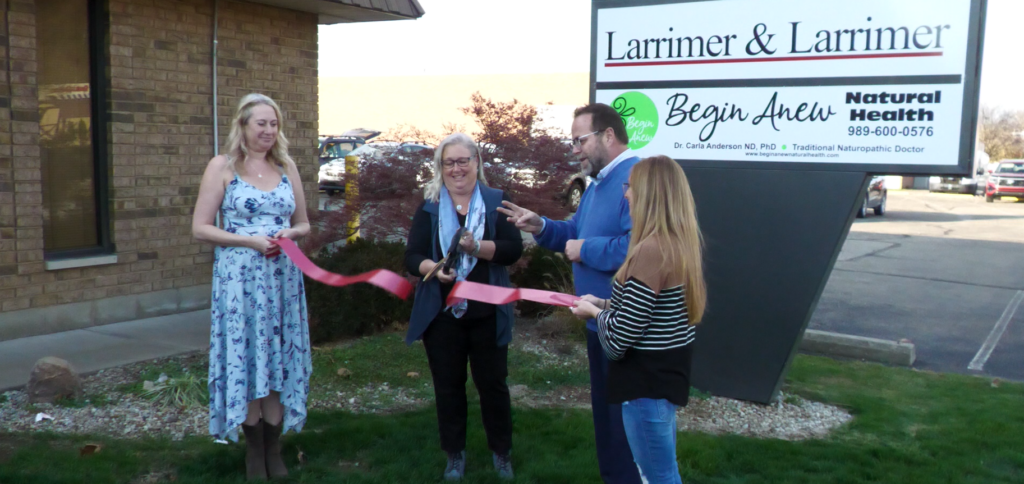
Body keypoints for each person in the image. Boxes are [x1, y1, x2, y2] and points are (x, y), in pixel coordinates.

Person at [497, 103, 642, 484]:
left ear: (608, 135)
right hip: (598, 323)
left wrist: (586, 249)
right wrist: (541, 226)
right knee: (607, 421)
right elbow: (575, 232)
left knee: (626, 427)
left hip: (625, 326)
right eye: (572, 142)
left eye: (580, 140)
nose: (575, 150)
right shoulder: (598, 184)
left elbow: (638, 248)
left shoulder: (636, 180)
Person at [192, 93, 312, 481]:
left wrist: (291, 233)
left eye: (274, 124)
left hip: (282, 281)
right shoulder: (222, 167)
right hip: (240, 283)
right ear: (243, 126)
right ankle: (253, 453)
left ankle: (273, 449)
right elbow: (200, 227)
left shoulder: (286, 166)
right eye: (261, 123)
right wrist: (250, 241)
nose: (268, 130)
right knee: (247, 359)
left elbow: (304, 222)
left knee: (277, 359)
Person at [570, 155, 706, 484]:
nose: (626, 194)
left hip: (645, 385)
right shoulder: (678, 244)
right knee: (661, 472)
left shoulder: (650, 251)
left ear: (650, 194)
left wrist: (594, 313)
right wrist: (602, 302)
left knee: (657, 477)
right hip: (663, 381)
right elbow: (647, 311)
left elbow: (619, 340)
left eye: (631, 186)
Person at [405, 133, 524, 481]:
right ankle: (454, 455)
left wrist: (477, 248)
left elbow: (513, 250)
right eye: (449, 163)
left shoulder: (496, 201)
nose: (456, 169)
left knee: (493, 385)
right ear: (440, 167)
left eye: (463, 161)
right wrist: (433, 268)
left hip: (488, 313)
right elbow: (412, 256)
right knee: (448, 386)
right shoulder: (430, 206)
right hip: (442, 316)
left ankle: (501, 453)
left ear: (476, 162)